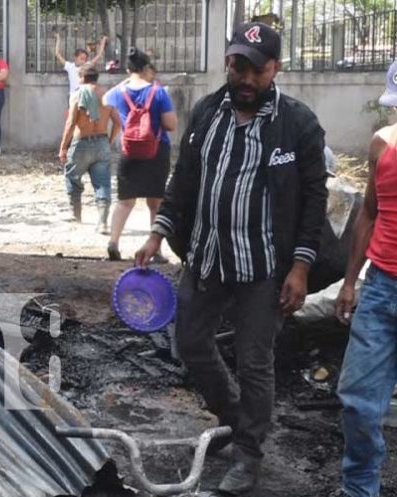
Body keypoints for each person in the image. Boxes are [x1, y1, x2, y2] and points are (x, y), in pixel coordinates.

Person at [135, 22, 328, 495]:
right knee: (191, 343)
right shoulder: (206, 113)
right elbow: (183, 181)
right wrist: (158, 234)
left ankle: (248, 453)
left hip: (264, 268)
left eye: (255, 69)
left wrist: (301, 267)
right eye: (237, 65)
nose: (244, 77)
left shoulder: (298, 124)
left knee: (254, 360)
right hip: (206, 258)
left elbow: (314, 201)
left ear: (274, 69)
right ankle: (235, 418)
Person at [333, 60, 397, 497]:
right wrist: (350, 281)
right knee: (357, 401)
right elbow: (369, 214)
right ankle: (360, 489)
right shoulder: (382, 144)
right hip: (381, 290)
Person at [103, 48, 177, 261]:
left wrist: (124, 83)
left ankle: (113, 242)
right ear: (146, 68)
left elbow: (105, 100)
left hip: (129, 150)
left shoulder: (118, 92)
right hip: (156, 150)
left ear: (128, 69)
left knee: (125, 201)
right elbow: (170, 124)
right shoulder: (158, 92)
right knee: (155, 203)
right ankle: (156, 251)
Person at [59, 64, 121, 233]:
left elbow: (71, 123)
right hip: (101, 142)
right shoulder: (106, 96)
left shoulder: (77, 95)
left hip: (81, 142)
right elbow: (118, 122)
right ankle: (102, 223)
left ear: (82, 78)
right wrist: (109, 140)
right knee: (102, 183)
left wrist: (63, 147)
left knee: (72, 177)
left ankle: (76, 215)